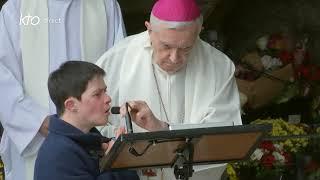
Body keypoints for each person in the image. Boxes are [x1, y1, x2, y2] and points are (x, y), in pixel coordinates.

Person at [96, 0, 242, 179]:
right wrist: (121, 138)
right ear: (149, 30)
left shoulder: (220, 66)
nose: (174, 58)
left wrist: (162, 129)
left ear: (199, 32)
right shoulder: (115, 60)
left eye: (186, 48)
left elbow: (224, 138)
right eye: (166, 46)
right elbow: (92, 126)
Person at [0, 0, 126, 180]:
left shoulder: (105, 5)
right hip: (34, 139)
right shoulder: (17, 8)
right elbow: (3, 76)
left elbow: (119, 66)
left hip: (93, 139)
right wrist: (38, 122)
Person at [34, 61, 139, 180]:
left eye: (105, 91)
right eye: (97, 94)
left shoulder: (90, 139)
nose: (108, 99)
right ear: (71, 105)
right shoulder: (57, 155)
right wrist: (113, 160)